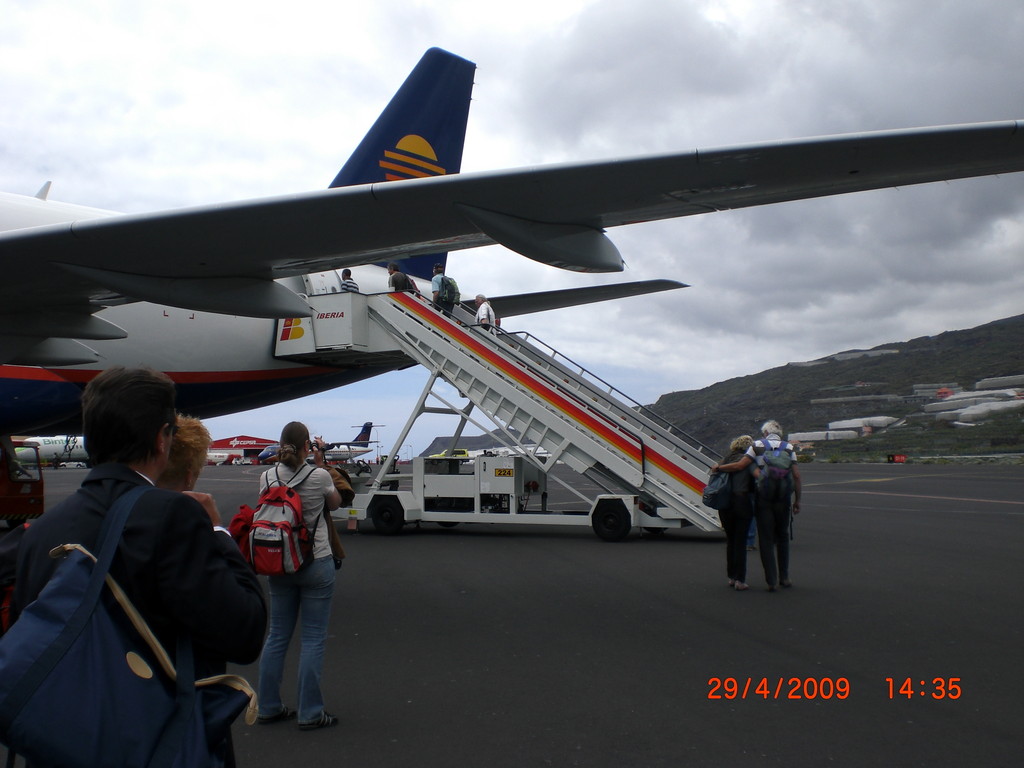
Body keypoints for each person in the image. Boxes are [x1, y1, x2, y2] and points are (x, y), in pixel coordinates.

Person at [12, 367, 266, 767]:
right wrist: (218, 531)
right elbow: (246, 632)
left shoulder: (40, 532)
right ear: (161, 438)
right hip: (155, 741)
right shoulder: (173, 517)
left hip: (64, 744)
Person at [257, 422, 343, 730]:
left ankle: (267, 705)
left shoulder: (268, 476)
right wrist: (321, 466)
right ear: (307, 445)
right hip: (314, 560)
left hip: (279, 562)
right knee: (312, 639)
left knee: (277, 636)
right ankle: (310, 712)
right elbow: (336, 504)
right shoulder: (318, 476)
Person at [713, 420, 802, 592]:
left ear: (765, 433)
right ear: (780, 433)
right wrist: (797, 500)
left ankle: (771, 580)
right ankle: (785, 577)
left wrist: (720, 468)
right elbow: (796, 475)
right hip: (783, 499)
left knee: (766, 539)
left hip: (764, 499)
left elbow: (740, 465)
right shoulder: (788, 447)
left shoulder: (758, 445)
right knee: (783, 537)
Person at [711, 435, 757, 591]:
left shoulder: (724, 459)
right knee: (740, 541)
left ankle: (731, 576)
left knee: (730, 540)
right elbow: (755, 479)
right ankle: (740, 579)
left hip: (724, 504)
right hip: (741, 502)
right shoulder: (748, 460)